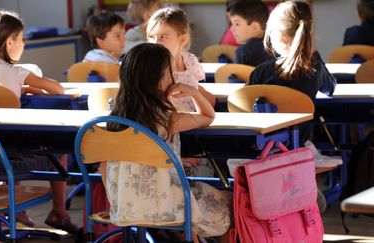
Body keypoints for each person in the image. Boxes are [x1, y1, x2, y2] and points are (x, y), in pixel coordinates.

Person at [0, 9, 78, 234]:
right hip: (9, 153)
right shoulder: (15, 71)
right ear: (10, 41)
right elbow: (58, 89)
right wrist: (29, 84)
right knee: (56, 149)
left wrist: (22, 88)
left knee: (13, 137)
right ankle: (59, 213)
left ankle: (15, 211)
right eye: (22, 39)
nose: (24, 45)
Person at [103, 42, 231, 242]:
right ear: (158, 80)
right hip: (169, 207)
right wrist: (193, 91)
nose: (174, 77)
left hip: (125, 207)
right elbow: (208, 116)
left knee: (192, 192)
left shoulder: (111, 121)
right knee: (231, 203)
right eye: (170, 73)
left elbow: (104, 167)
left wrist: (117, 201)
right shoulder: (166, 119)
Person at [247, 0, 336, 143]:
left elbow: (243, 105)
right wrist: (314, 53)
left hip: (262, 147)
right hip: (299, 146)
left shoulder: (261, 71)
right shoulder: (315, 68)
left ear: (280, 35)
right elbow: (329, 88)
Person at [147, 7, 216, 177]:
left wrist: (200, 96)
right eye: (151, 37)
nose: (156, 42)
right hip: (166, 129)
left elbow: (200, 91)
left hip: (192, 124)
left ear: (182, 38)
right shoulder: (150, 68)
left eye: (163, 36)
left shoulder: (190, 61)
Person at [229, 0, 273, 67]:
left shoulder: (243, 51)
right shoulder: (277, 45)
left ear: (255, 27)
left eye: (237, 24)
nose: (232, 29)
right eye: (231, 24)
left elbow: (235, 76)